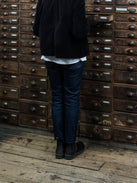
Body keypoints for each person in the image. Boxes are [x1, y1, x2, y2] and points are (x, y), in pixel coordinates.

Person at [33, 0, 89, 160]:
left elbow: (36, 29)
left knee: (57, 98)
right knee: (71, 99)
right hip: (71, 57)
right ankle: (70, 146)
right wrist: (88, 23)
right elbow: (79, 31)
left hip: (50, 55)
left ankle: (60, 146)